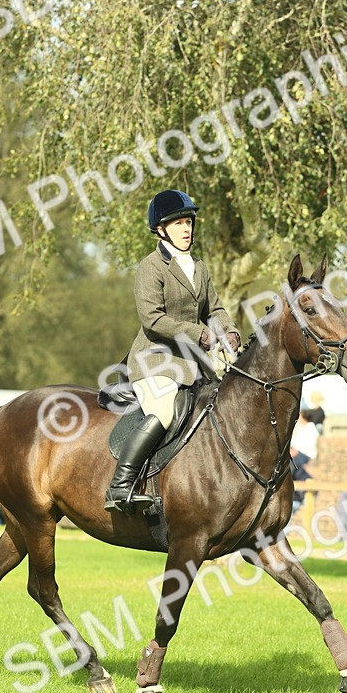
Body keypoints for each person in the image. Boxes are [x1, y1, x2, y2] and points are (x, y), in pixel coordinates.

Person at [105, 189, 241, 513]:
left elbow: (215, 308)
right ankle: (119, 486)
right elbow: (152, 319)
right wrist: (200, 333)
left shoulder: (200, 267)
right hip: (154, 360)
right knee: (164, 412)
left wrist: (229, 330)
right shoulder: (151, 266)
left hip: (194, 364)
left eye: (189, 222)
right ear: (161, 229)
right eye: (178, 223)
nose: (186, 229)